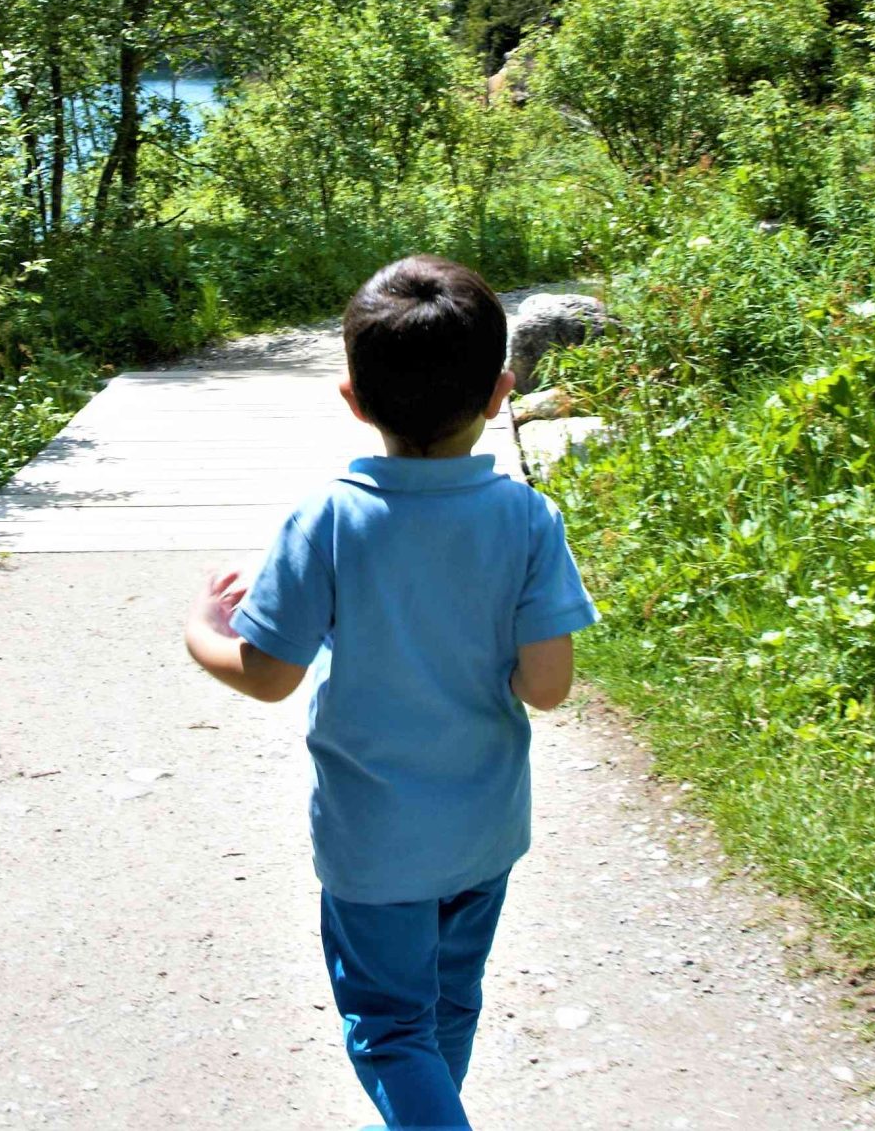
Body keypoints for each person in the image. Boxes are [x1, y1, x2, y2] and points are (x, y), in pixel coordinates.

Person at [183, 254, 599, 1129]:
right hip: (484, 829)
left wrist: (203, 634)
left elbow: (269, 676)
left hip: (375, 843)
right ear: (500, 392)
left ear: (353, 398)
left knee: (388, 1025)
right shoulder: (528, 518)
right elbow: (548, 687)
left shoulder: (327, 518)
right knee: (448, 1005)